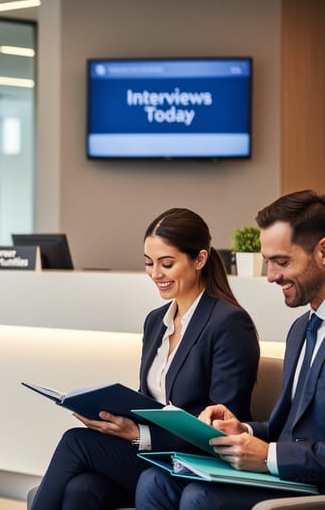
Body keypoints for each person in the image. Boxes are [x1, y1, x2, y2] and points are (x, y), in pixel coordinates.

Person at [30, 208, 260, 510]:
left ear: (200, 260)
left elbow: (221, 424)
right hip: (150, 453)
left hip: (194, 460)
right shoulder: (156, 321)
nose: (155, 274)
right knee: (81, 489)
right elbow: (149, 401)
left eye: (167, 263)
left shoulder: (228, 323)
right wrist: (115, 418)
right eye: (149, 263)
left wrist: (141, 435)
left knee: (76, 442)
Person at [136, 190, 325, 509]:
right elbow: (289, 430)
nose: (271, 276)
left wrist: (269, 455)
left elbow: (290, 445)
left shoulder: (231, 321)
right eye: (268, 262)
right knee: (155, 481)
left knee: (199, 497)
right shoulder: (301, 331)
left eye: (282, 261)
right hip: (287, 474)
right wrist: (243, 430)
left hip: (312, 484)